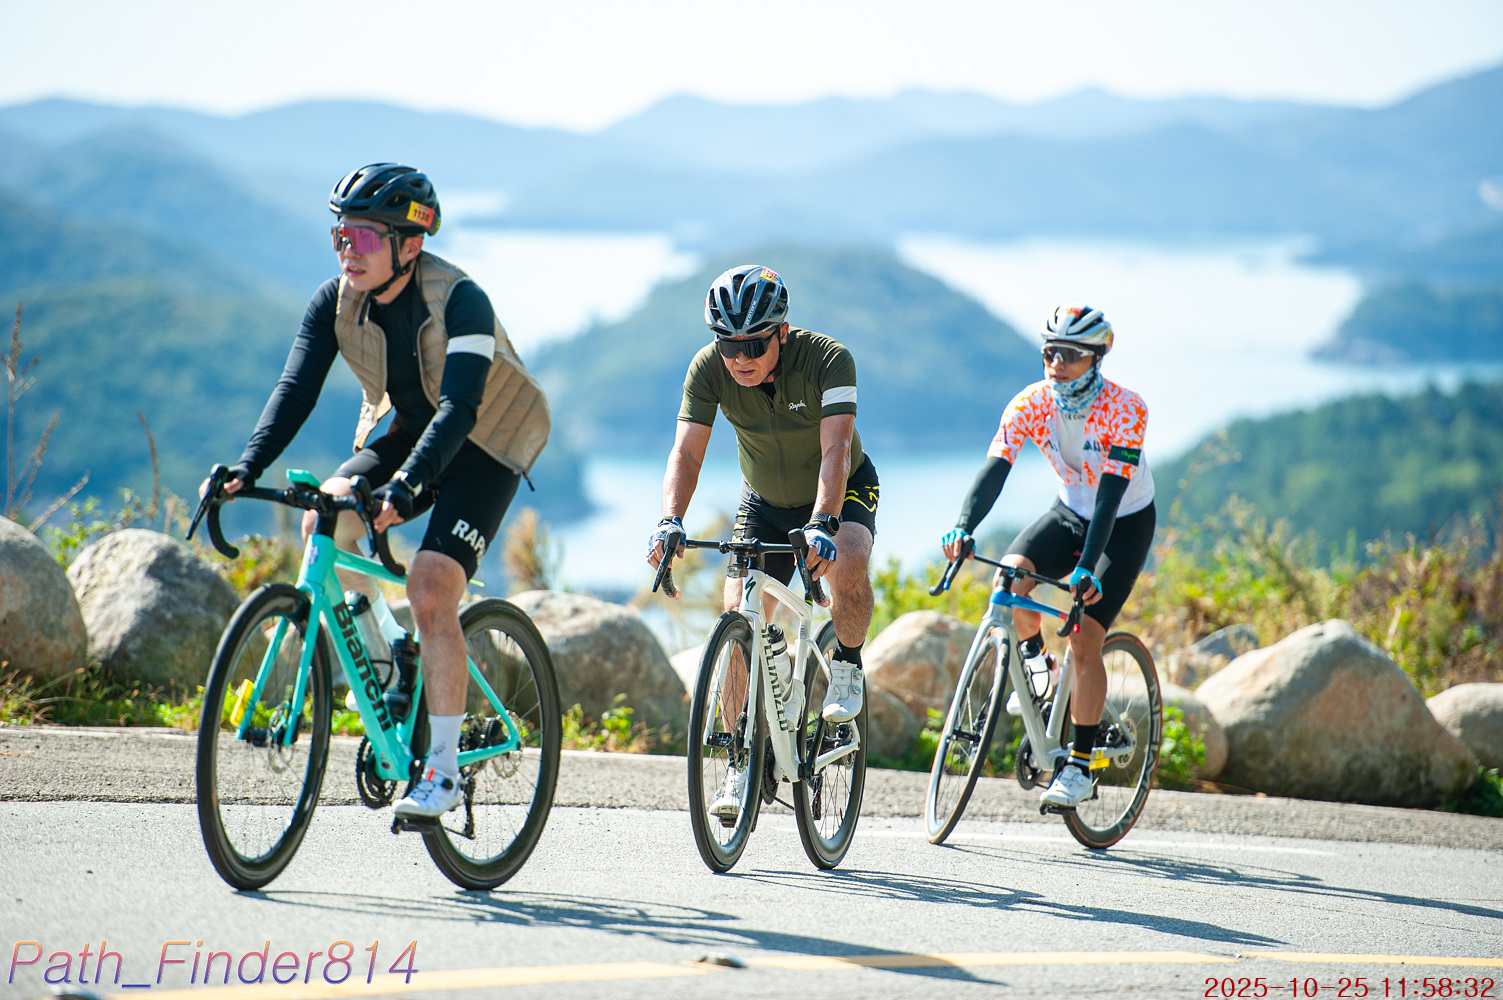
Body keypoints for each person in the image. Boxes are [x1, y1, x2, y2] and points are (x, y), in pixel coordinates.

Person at [203, 163, 551, 820]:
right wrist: (245, 468)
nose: (347, 250)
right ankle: (392, 662)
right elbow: (294, 390)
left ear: (410, 243)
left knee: (431, 586)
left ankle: (442, 771)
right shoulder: (335, 300)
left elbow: (460, 409)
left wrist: (407, 486)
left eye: (363, 237)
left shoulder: (462, 301)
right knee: (323, 521)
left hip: (486, 444)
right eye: (340, 234)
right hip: (411, 430)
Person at [647, 264, 879, 819]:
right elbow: (687, 453)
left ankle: (847, 665)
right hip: (764, 502)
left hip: (840, 490)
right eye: (728, 344)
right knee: (738, 620)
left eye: (752, 344)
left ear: (782, 332)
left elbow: (836, 451)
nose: (739, 358)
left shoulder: (829, 359)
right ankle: (738, 759)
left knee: (848, 559)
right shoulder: (709, 368)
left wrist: (822, 522)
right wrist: (670, 520)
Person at [941, 304, 1155, 808]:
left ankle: (1080, 766)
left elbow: (1110, 497)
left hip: (1123, 523)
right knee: (1011, 580)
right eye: (1049, 352)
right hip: (1069, 512)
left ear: (1096, 357)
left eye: (1070, 354)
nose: (1056, 363)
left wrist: (1087, 568)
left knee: (1084, 637)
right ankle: (1040, 669)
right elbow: (996, 468)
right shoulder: (1031, 402)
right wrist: (964, 525)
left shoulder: (1127, 408)